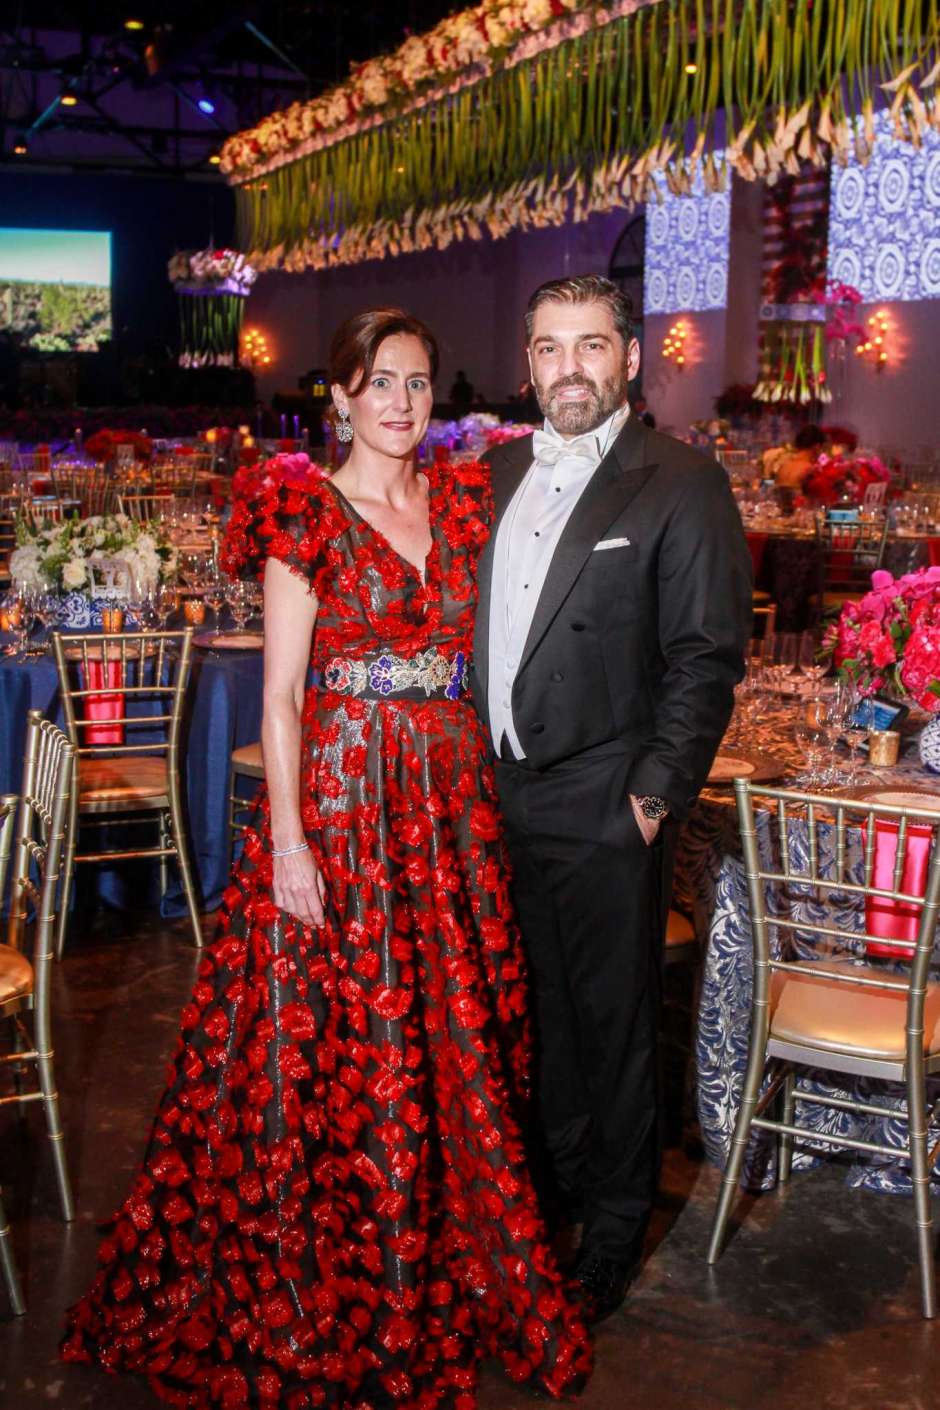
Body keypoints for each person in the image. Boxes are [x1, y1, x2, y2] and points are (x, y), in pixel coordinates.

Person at [62, 308, 591, 1408]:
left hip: (448, 804)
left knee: (455, 1028)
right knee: (342, 1036)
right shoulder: (301, 507)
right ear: (339, 397)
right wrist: (289, 841)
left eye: (417, 384)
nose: (401, 403)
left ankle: (446, 1263)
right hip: (347, 806)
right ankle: (341, 1274)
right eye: (380, 383)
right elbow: (282, 698)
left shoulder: (459, 498)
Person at [472, 274, 751, 1324]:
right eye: (549, 348)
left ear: (629, 358)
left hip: (604, 796)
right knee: (535, 1011)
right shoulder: (498, 472)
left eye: (590, 345)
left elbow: (705, 658)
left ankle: (615, 1229)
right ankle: (549, 1199)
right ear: (528, 363)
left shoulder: (679, 483)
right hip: (502, 791)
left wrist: (650, 798)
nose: (569, 368)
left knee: (616, 1024)